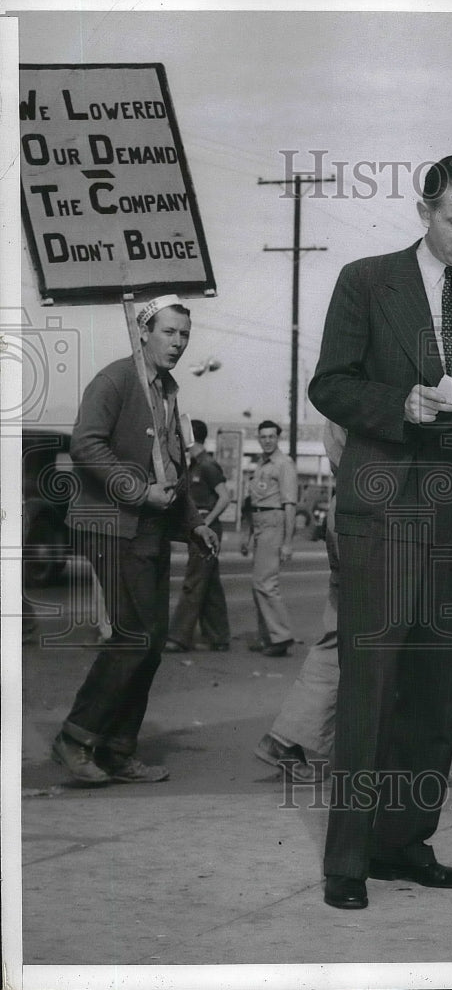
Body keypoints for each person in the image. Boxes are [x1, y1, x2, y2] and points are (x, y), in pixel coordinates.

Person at [309, 154, 452, 910]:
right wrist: (406, 405)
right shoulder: (366, 281)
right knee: (371, 685)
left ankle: (406, 843)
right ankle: (348, 860)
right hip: (381, 505)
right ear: (423, 212)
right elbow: (329, 382)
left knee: (432, 688)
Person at [51, 295, 219, 785]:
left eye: (185, 335)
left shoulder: (166, 390)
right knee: (135, 637)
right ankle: (76, 737)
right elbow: (85, 443)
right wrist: (137, 490)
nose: (179, 343)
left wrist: (195, 524)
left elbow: (174, 467)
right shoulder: (116, 379)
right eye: (169, 332)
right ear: (144, 331)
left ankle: (117, 751)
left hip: (150, 527)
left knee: (148, 643)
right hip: (111, 523)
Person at [253, 421, 346, 782]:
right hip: (373, 512)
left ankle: (287, 737)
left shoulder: (344, 384)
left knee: (339, 635)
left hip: (347, 505)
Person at [166, 419, 231, 652]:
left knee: (194, 581)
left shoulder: (207, 465)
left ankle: (178, 637)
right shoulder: (193, 464)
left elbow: (225, 497)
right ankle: (219, 637)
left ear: (191, 437)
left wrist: (206, 522)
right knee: (209, 583)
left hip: (206, 529)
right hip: (201, 528)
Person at [242, 420, 297, 657]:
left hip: (274, 523)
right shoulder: (261, 465)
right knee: (259, 584)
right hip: (260, 523)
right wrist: (248, 536)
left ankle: (281, 636)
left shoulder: (284, 464)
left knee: (265, 583)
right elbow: (255, 504)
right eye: (263, 437)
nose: (267, 440)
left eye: (271, 436)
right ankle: (268, 637)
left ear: (278, 438)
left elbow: (290, 505)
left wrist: (288, 542)